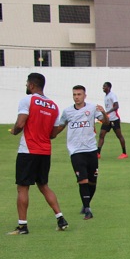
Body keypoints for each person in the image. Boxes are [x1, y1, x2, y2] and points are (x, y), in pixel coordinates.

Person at [8, 72, 69, 234]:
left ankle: (22, 226)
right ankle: (60, 218)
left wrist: (14, 130)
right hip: (44, 151)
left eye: (27, 83)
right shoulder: (53, 106)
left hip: (28, 151)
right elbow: (53, 134)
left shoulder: (27, 100)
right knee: (43, 185)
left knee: (22, 188)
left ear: (32, 85)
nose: (27, 86)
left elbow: (20, 123)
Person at [51, 85, 109, 220]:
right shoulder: (67, 112)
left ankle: (86, 203)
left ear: (85, 96)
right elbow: (60, 127)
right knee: (82, 180)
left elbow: (105, 122)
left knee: (93, 182)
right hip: (76, 151)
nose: (77, 97)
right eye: (74, 94)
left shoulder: (92, 108)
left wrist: (104, 113)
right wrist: (49, 136)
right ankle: (88, 209)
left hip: (91, 149)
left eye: (79, 94)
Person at [98, 82, 127, 159]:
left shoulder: (112, 95)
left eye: (105, 86)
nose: (103, 88)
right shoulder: (106, 96)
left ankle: (124, 153)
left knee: (119, 135)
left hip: (114, 119)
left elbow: (116, 106)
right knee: (101, 134)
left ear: (109, 87)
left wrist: (107, 112)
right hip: (107, 119)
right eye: (103, 86)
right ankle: (98, 153)